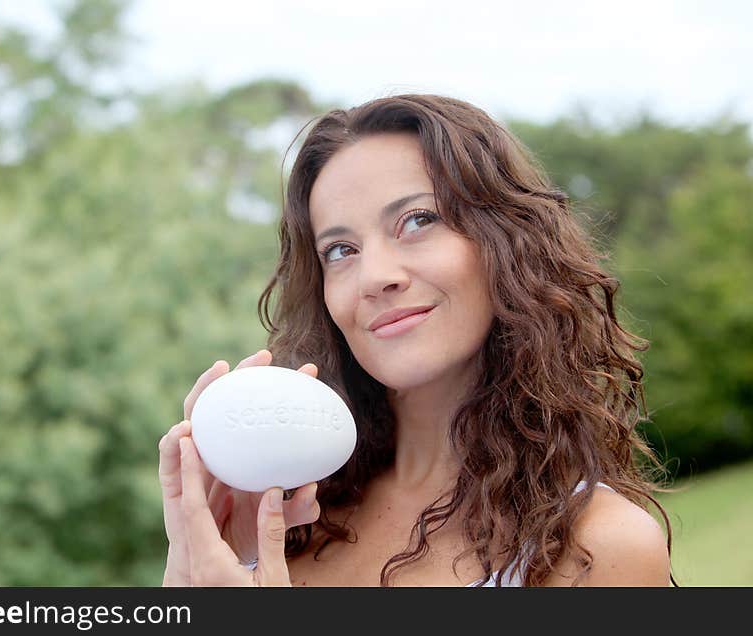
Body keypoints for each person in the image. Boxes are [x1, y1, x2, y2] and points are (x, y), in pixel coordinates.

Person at [159, 94, 675, 587]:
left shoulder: (598, 549)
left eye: (417, 220)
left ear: (505, 244)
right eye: (340, 250)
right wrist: (194, 573)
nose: (374, 276)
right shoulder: (284, 516)